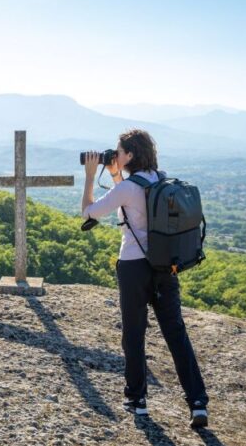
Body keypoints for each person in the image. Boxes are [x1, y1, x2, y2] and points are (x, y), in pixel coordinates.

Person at [81, 129, 209, 428]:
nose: (115, 155)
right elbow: (137, 203)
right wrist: (115, 175)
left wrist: (90, 176)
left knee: (134, 335)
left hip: (134, 268)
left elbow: (88, 213)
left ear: (130, 155)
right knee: (176, 333)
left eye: (119, 151)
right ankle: (198, 403)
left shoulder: (128, 188)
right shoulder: (160, 179)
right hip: (166, 267)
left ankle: (137, 401)